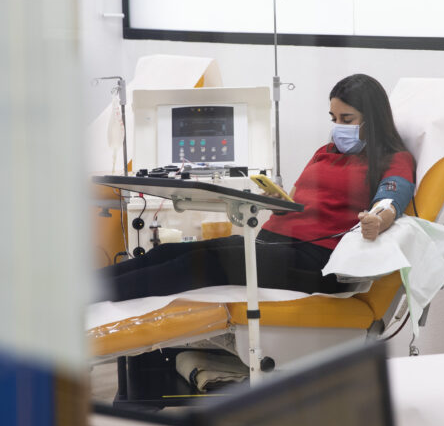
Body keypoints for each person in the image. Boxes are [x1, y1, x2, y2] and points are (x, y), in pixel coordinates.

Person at [100, 74, 415, 302]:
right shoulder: (326, 152)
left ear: (371, 119)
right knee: (171, 251)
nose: (338, 127)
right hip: (274, 245)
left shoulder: (393, 158)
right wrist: (280, 203)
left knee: (202, 265)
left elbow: (391, 197)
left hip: (318, 261)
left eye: (348, 119)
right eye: (334, 118)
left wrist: (378, 220)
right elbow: (301, 200)